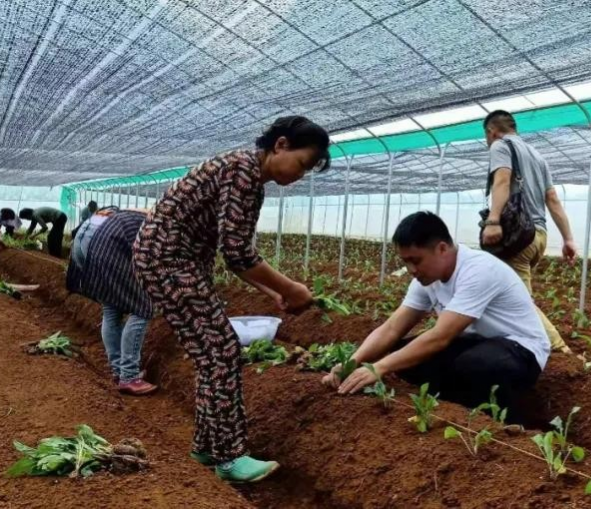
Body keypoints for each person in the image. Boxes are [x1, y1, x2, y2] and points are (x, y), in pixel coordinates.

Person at [133, 116, 329, 483]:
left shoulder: (250, 177)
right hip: (169, 260)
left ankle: (208, 448)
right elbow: (237, 253)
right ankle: (229, 457)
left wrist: (273, 293)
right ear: (281, 145)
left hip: (178, 261)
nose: (300, 175)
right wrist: (291, 289)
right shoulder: (242, 172)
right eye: (302, 163)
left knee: (215, 352)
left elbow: (236, 253)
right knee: (221, 351)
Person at [323, 212, 550, 416]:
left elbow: (441, 336)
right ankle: (451, 402)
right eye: (405, 262)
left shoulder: (478, 270)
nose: (411, 270)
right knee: (402, 355)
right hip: (478, 343)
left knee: (475, 365)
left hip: (521, 350)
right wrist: (354, 362)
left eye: (416, 260)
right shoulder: (426, 279)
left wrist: (380, 367)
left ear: (442, 248)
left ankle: (502, 419)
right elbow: (392, 328)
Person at [481, 110, 577, 354]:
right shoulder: (537, 155)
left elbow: (502, 181)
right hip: (538, 237)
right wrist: (568, 239)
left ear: (492, 131)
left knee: (519, 300)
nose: (487, 141)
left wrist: (493, 221)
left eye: (486, 136)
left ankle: (558, 349)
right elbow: (552, 199)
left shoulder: (500, 146)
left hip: (517, 236)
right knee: (505, 291)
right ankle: (510, 338)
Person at [68, 206, 157, 395]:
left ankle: (119, 371)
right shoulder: (159, 224)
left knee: (112, 308)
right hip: (105, 250)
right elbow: (151, 262)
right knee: (143, 308)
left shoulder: (132, 214)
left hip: (84, 246)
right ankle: (129, 377)